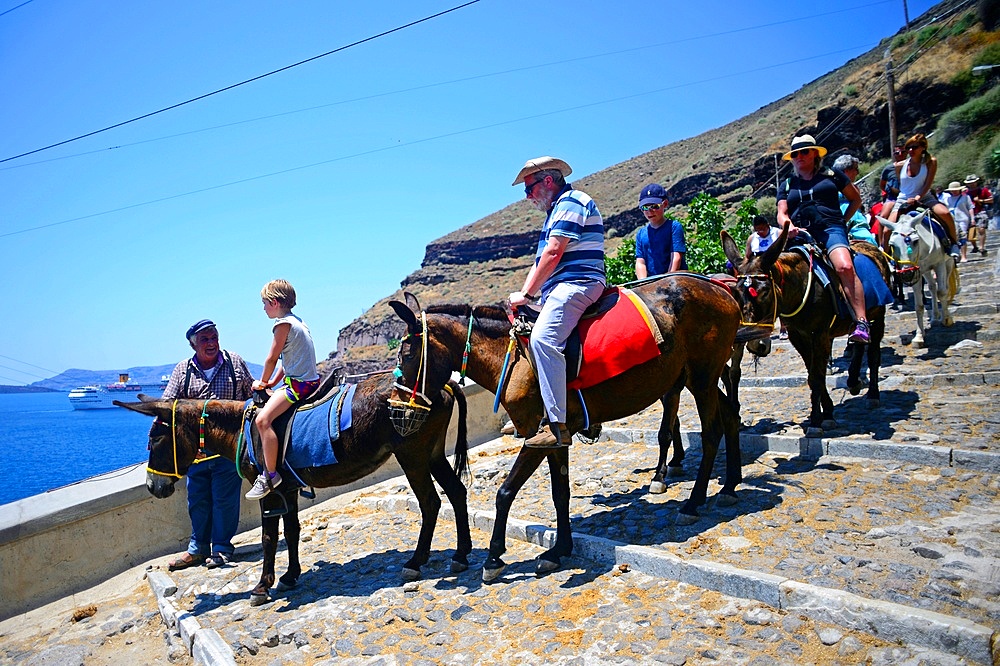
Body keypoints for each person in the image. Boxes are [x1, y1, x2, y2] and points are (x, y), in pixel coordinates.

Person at [509, 156, 606, 449]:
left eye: (529, 188)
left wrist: (526, 295)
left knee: (542, 339)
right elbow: (543, 261)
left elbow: (553, 254)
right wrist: (526, 296)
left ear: (548, 181)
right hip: (557, 289)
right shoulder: (555, 211)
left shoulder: (572, 202)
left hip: (578, 284)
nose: (527, 196)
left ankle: (557, 425)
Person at [163, 319, 254, 571]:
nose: (212, 343)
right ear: (194, 345)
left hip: (227, 450)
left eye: (214, 337)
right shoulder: (183, 370)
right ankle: (198, 550)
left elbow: (252, 396)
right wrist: (156, 437)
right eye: (205, 340)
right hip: (196, 453)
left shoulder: (234, 362)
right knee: (197, 500)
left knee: (225, 500)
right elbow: (167, 406)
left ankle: (222, 549)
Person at [777, 134, 870, 343]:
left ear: (814, 154)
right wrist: (788, 225)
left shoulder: (832, 175)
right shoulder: (787, 184)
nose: (799, 156)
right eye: (795, 154)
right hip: (799, 234)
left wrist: (841, 222)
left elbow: (855, 199)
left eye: (804, 152)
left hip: (830, 230)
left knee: (844, 267)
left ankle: (861, 321)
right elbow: (781, 212)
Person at [246, 279, 320, 499]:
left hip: (299, 386)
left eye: (265, 303)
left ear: (275, 302)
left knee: (262, 420)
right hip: (309, 381)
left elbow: (271, 358)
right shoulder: (298, 322)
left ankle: (270, 475)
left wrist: (261, 382)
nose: (263, 308)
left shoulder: (282, 325)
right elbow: (285, 363)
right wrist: (271, 384)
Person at [887, 133, 960, 258]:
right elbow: (903, 186)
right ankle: (887, 256)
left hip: (925, 197)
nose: (910, 150)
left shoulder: (931, 162)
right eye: (908, 148)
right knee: (887, 229)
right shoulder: (899, 166)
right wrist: (905, 198)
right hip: (903, 199)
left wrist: (918, 198)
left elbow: (928, 183)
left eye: (914, 147)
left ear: (923, 148)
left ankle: (953, 243)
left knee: (945, 214)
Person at [634, 183, 687, 277]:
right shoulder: (641, 234)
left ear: (665, 204)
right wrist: (643, 283)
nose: (650, 211)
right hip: (652, 284)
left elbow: (676, 257)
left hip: (675, 280)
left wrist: (667, 281)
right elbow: (640, 262)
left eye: (654, 206)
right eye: (645, 207)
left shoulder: (674, 227)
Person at [832, 154, 878, 247]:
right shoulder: (830, 187)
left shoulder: (854, 188)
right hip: (844, 224)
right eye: (855, 169)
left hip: (853, 224)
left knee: (870, 242)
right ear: (846, 171)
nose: (857, 172)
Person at [942, 181, 974, 262]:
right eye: (952, 190)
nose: (954, 191)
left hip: (963, 219)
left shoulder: (966, 197)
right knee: (953, 237)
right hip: (951, 220)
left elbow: (970, 208)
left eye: (955, 190)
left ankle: (964, 256)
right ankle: (956, 254)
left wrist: (972, 219)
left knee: (962, 236)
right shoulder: (946, 199)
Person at [965, 174, 993, 256]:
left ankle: (981, 247)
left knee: (981, 229)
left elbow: (991, 200)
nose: (972, 184)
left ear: (976, 182)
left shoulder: (983, 190)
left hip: (981, 211)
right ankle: (975, 246)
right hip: (969, 213)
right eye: (970, 183)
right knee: (970, 233)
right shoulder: (965, 193)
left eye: (973, 182)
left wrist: (980, 200)